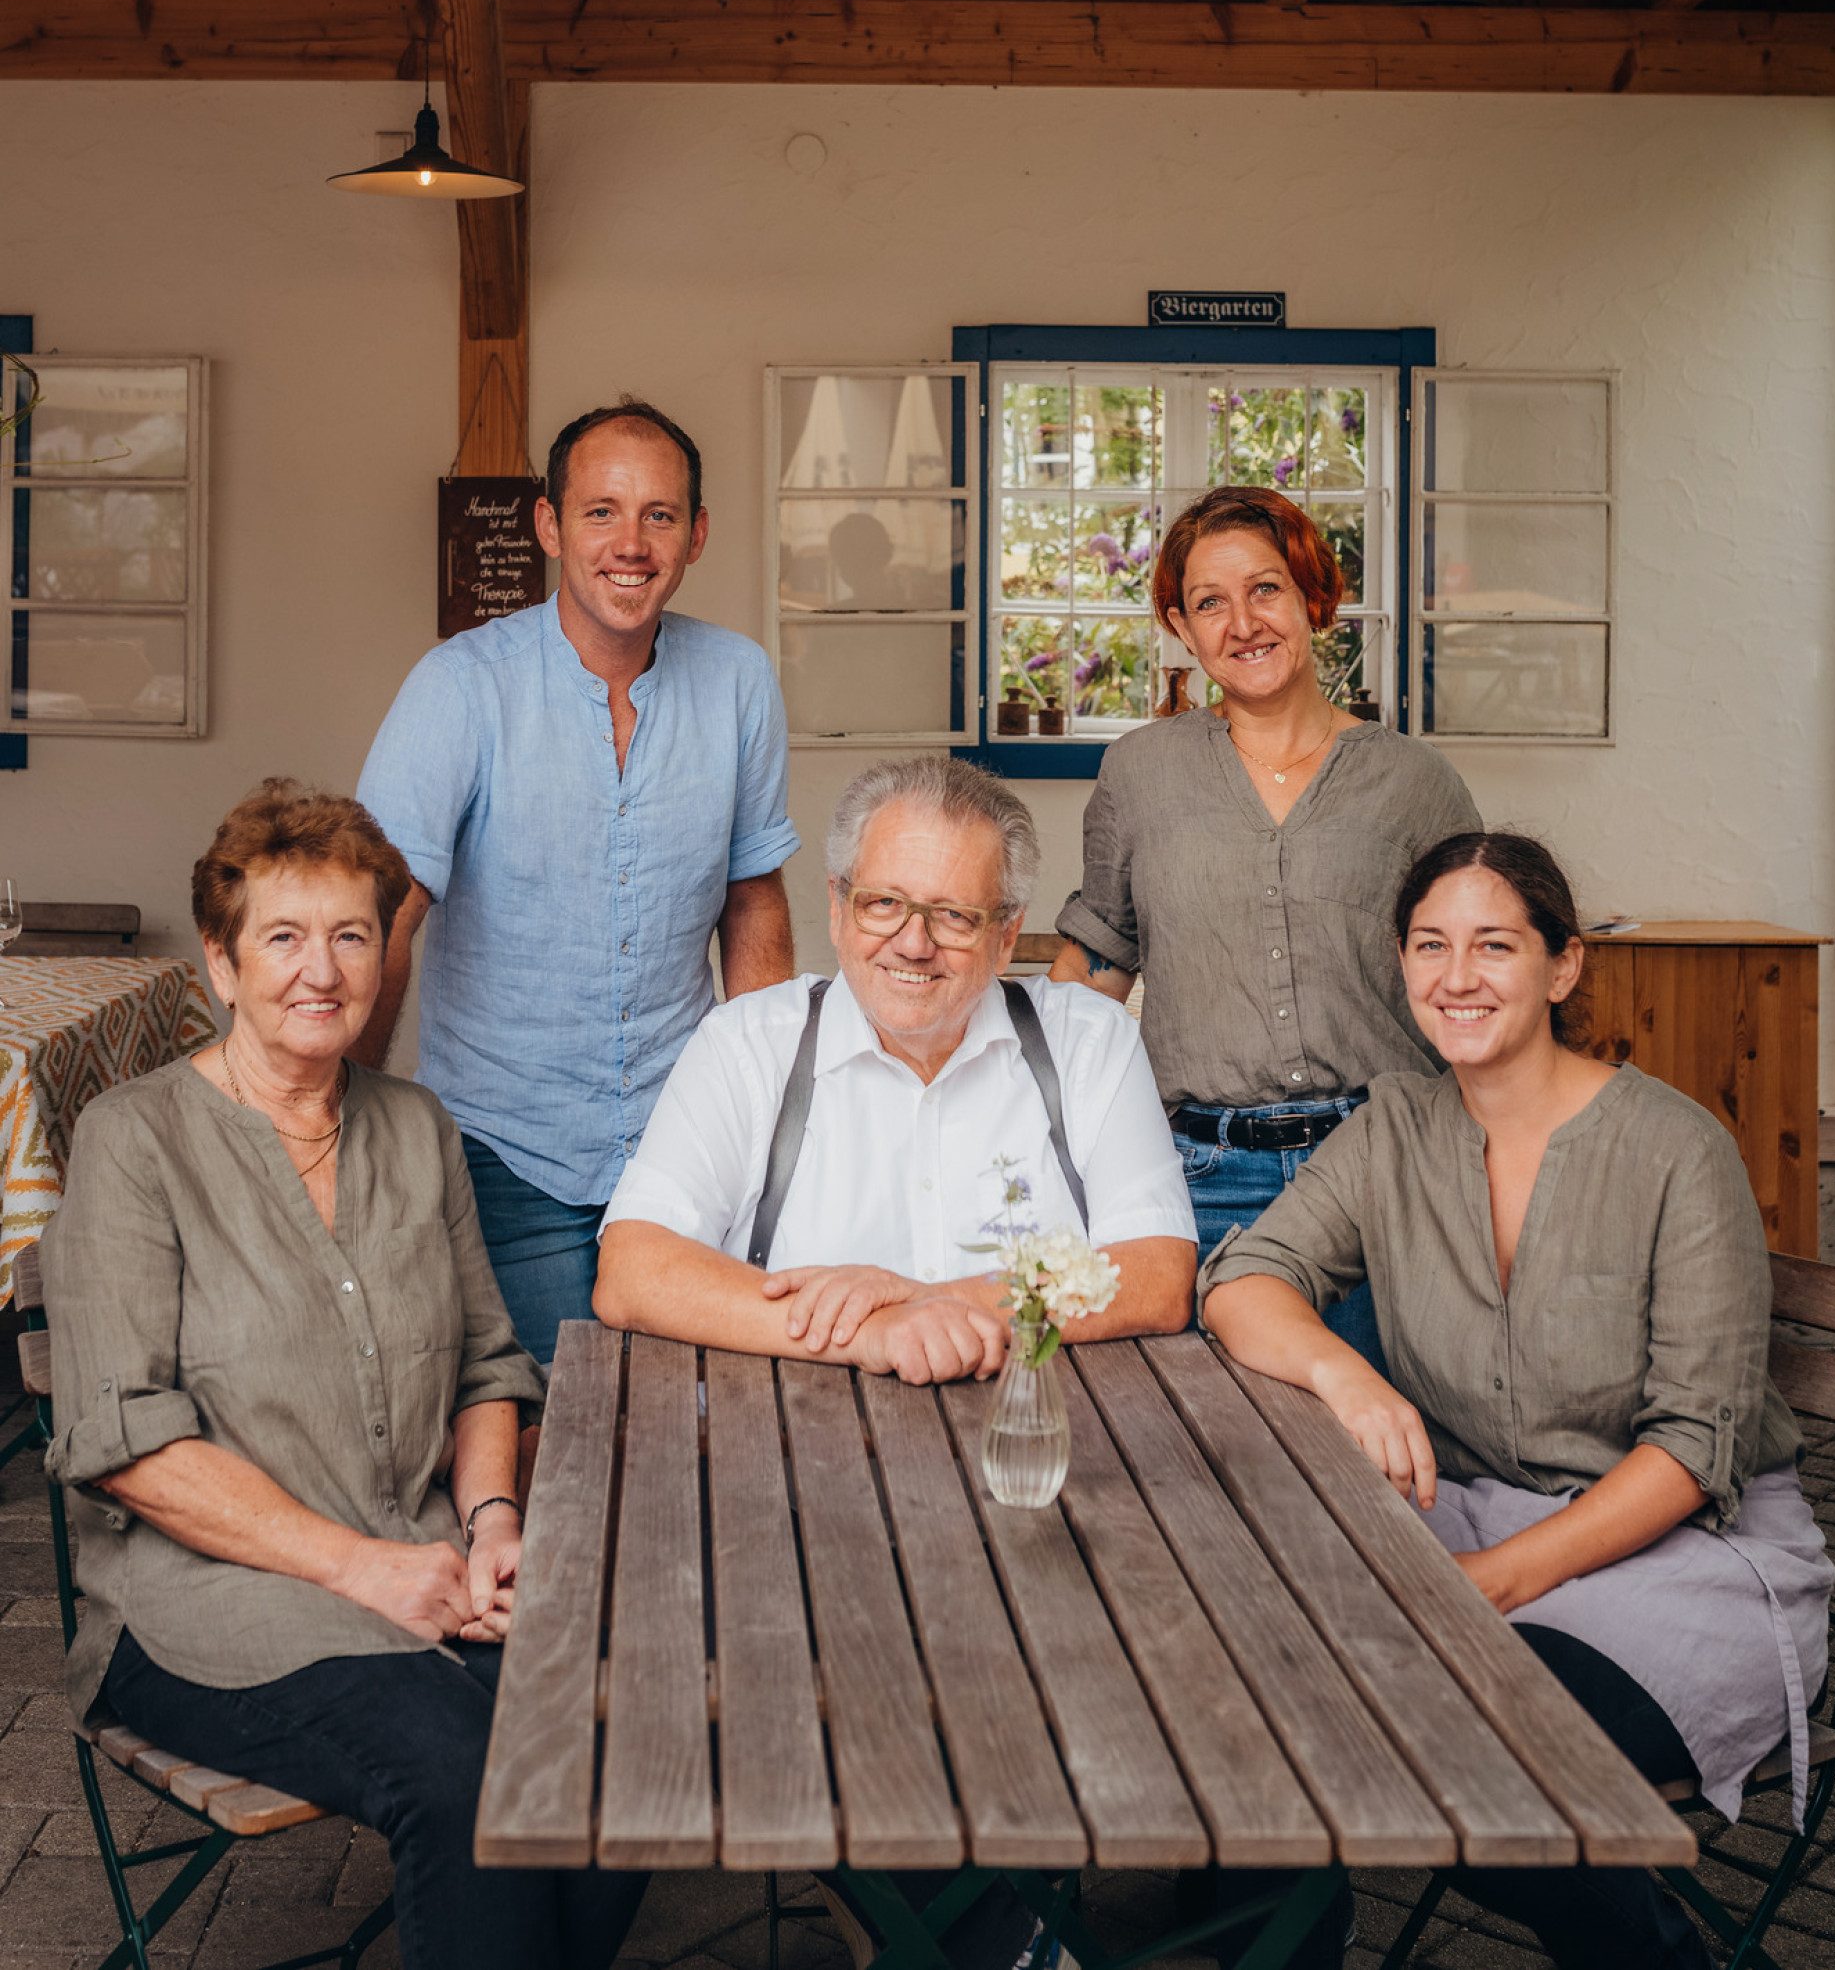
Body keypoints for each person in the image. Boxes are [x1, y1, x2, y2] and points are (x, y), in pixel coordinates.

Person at [1200, 830, 1832, 1970]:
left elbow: (1694, 1447)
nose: (1456, 976)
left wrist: (1485, 1586)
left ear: (1562, 966)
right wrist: (1342, 1370)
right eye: (1430, 944)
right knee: (1260, 1659)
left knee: (1467, 1741)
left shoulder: (1677, 1150)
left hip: (1679, 1554)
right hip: (1466, 1514)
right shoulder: (1393, 1125)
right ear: (1399, 965)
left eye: (1494, 944)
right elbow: (1244, 1279)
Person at [40, 780, 645, 1970]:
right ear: (219, 963)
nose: (320, 970)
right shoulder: (134, 1140)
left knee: (632, 1720)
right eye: (282, 936)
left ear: (384, 952)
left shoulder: (419, 1128)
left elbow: (484, 1362)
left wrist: (490, 1520)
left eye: (351, 934)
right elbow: (132, 1453)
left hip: (430, 1550)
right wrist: (368, 1572)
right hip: (211, 1601)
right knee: (469, 1768)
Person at [357, 398, 800, 1361]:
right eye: (600, 511)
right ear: (550, 526)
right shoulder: (460, 686)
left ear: (698, 534)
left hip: (689, 1137)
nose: (630, 544)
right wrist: (347, 1114)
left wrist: (769, 1107)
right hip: (506, 1152)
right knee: (552, 1420)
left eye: (660, 514)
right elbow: (382, 916)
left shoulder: (740, 681)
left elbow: (752, 894)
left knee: (707, 1405)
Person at [596, 754, 1196, 1376]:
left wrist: (928, 1303)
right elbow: (634, 1269)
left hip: (1038, 1435)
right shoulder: (746, 1045)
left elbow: (1158, 1274)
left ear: (1007, 935)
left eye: (955, 915)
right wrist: (871, 1334)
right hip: (792, 1440)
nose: (913, 943)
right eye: (883, 903)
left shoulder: (1087, 1042)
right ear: (837, 905)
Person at [1052, 483, 1480, 1353]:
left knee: (1376, 1450)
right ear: (1182, 625)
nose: (1242, 622)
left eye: (1265, 588)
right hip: (1197, 1177)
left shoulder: (1416, 784)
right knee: (1200, 1450)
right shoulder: (1140, 773)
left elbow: (1475, 983)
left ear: (1313, 598)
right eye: (1210, 602)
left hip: (1382, 1172)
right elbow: (1096, 972)